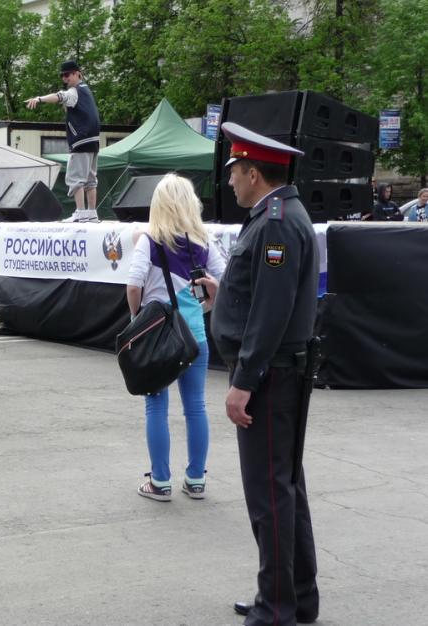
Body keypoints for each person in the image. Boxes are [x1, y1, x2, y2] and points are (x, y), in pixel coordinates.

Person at [199, 123, 320, 626]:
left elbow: (272, 312)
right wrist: (222, 293)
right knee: (285, 488)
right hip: (279, 373)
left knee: (269, 495)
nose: (230, 182)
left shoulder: (274, 222)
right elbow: (264, 296)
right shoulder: (281, 215)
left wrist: (243, 381)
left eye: (234, 173)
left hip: (270, 379)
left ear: (252, 172)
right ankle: (295, 597)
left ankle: (276, 609)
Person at [126, 173, 226, 501]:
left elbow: (133, 283)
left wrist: (136, 317)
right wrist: (206, 305)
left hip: (158, 336)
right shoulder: (203, 241)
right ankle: (196, 479)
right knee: (195, 406)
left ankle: (160, 480)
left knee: (156, 405)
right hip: (194, 334)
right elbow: (224, 281)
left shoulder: (150, 241)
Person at [25, 59, 100, 222]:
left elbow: (59, 96)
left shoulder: (75, 91)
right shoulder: (87, 90)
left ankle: (80, 213)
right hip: (93, 141)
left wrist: (39, 99)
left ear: (76, 73)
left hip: (80, 140)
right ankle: (92, 213)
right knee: (90, 179)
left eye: (67, 75)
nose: (64, 79)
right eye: (62, 76)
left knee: (75, 178)